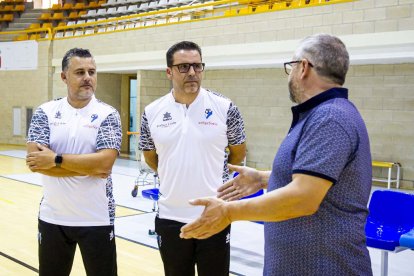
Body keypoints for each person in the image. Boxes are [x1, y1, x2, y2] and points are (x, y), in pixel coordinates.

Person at [180, 34, 373, 276]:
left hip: (324, 267)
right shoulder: (324, 115)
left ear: (303, 68)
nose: (289, 75)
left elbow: (304, 197)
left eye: (290, 67)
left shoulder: (330, 118)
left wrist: (229, 212)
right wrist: (263, 178)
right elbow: (318, 179)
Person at [139, 40, 246, 276]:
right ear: (169, 72)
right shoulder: (151, 112)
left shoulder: (225, 107)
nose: (192, 73)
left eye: (197, 66)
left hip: (215, 215)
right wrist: (173, 175)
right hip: (169, 217)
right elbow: (150, 157)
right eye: (183, 67)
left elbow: (238, 153)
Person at [26, 48, 122, 276]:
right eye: (80, 72)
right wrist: (88, 166)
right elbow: (36, 163)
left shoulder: (108, 114)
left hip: (97, 218)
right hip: (52, 217)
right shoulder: (45, 112)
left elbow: (104, 164)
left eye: (92, 71)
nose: (88, 77)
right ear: (64, 77)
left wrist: (55, 159)